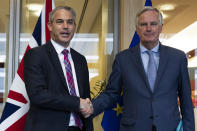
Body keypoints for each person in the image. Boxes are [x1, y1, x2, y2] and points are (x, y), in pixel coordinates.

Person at [84, 7, 195, 131]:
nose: (148, 28)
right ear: (137, 29)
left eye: (153, 24)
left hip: (169, 127)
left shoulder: (177, 58)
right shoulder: (123, 59)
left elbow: (186, 100)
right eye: (143, 24)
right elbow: (112, 93)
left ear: (160, 27)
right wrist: (91, 107)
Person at [23, 6, 93, 131]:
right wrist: (77, 103)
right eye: (60, 21)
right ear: (50, 26)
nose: (66, 26)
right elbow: (38, 95)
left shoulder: (80, 60)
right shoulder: (36, 55)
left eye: (70, 22)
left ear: (74, 27)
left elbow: (85, 98)